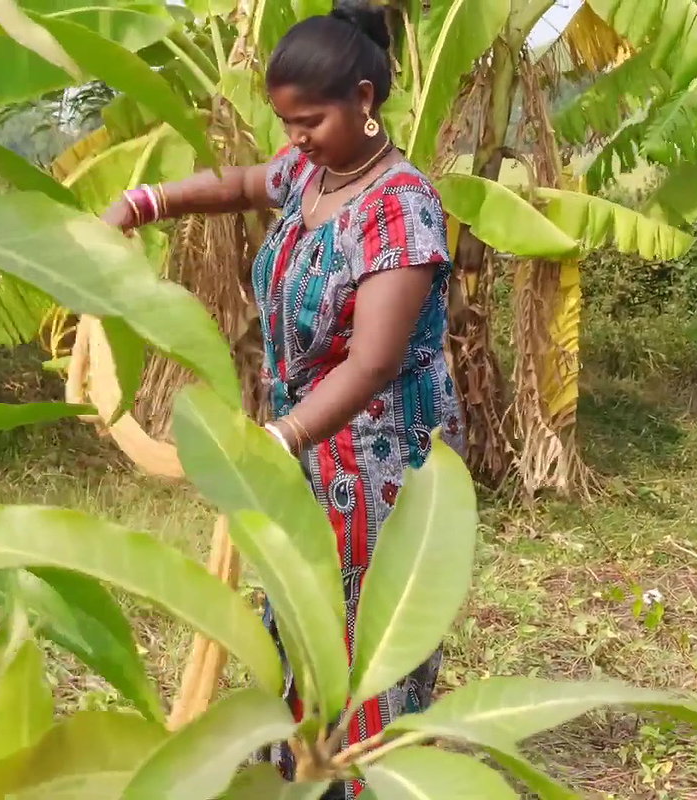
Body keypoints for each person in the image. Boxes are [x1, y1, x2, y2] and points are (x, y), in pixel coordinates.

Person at [102, 1, 464, 795]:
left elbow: (372, 363)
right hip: (305, 449)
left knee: (368, 636)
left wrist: (284, 436)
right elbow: (238, 183)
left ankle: (364, 780)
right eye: (287, 122)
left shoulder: (397, 208)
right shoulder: (313, 171)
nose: (295, 137)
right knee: (301, 616)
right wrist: (145, 202)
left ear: (365, 100)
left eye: (310, 120)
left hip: (381, 461)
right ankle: (305, 771)